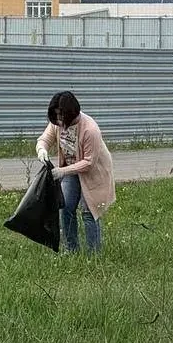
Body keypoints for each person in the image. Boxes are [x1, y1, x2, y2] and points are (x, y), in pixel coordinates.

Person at [36, 91, 115, 255]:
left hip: (93, 173)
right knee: (65, 207)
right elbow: (44, 139)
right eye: (56, 116)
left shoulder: (90, 129)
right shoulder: (57, 124)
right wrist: (41, 150)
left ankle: (94, 254)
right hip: (70, 170)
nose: (59, 120)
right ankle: (71, 250)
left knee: (89, 212)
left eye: (61, 116)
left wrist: (62, 171)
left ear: (71, 113)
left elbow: (89, 162)